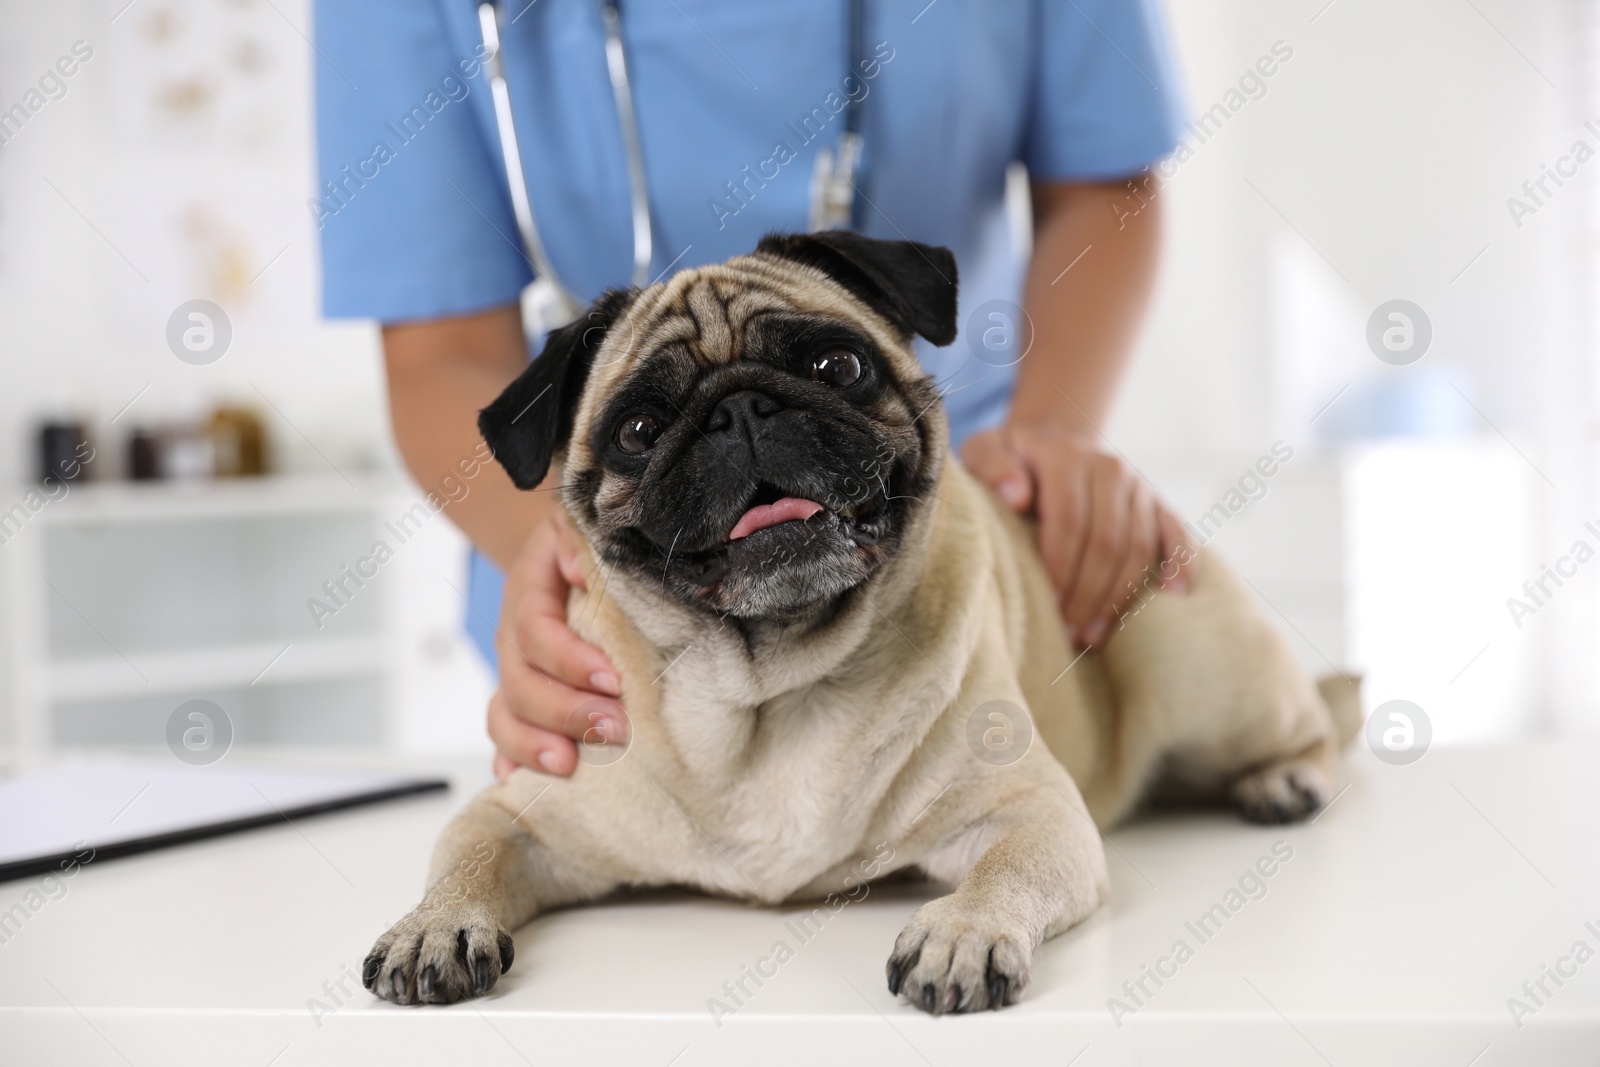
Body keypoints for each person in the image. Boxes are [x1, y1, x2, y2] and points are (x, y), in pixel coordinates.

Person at [314, 0, 1193, 781]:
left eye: (824, 371)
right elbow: (441, 351)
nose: (744, 424)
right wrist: (558, 565)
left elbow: (1104, 184)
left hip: (962, 524)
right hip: (630, 636)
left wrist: (1056, 430)